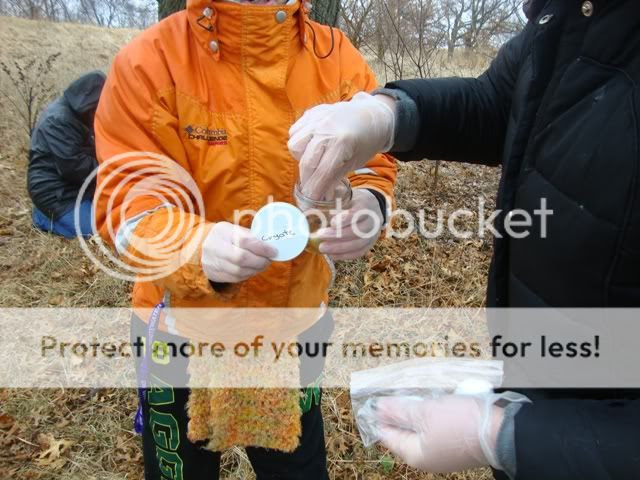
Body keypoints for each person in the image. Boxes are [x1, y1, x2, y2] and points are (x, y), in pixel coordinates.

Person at [288, 0, 640, 479]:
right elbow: (500, 101)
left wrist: (499, 435)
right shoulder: (571, 16)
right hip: (542, 388)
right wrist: (387, 114)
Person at [94, 0, 396, 478]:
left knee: (298, 469)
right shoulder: (150, 61)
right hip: (180, 330)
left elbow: (373, 162)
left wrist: (370, 204)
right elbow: (125, 203)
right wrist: (192, 247)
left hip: (294, 325)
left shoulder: (337, 58)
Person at [28, 71, 105, 238]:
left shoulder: (79, 113)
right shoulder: (59, 120)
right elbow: (74, 167)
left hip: (76, 187)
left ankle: (66, 214)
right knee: (99, 232)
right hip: (53, 192)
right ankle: (44, 218)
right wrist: (112, 171)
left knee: (114, 214)